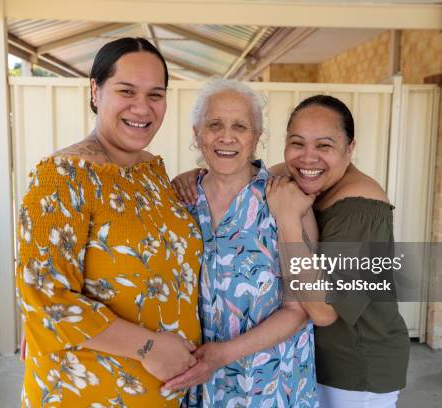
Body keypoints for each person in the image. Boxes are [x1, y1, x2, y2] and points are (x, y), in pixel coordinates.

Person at [172, 95, 409, 408]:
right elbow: (232, 162)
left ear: (350, 148)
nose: (308, 158)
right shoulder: (295, 178)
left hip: (354, 367)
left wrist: (287, 220)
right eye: (298, 143)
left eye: (324, 146)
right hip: (309, 360)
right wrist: (194, 174)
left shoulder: (362, 209)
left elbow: (323, 311)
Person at [15, 37, 203, 407]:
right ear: (95, 90)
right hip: (87, 391)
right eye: (126, 91)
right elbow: (45, 298)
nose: (142, 107)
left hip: (159, 393)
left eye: (156, 94)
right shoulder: (64, 176)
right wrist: (149, 346)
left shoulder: (150, 170)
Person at [163, 79, 318, 407]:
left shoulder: (287, 200)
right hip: (197, 381)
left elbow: (301, 307)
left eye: (240, 126)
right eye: (214, 124)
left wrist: (222, 355)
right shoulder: (178, 201)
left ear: (256, 137)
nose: (227, 136)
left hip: (271, 384)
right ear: (196, 133)